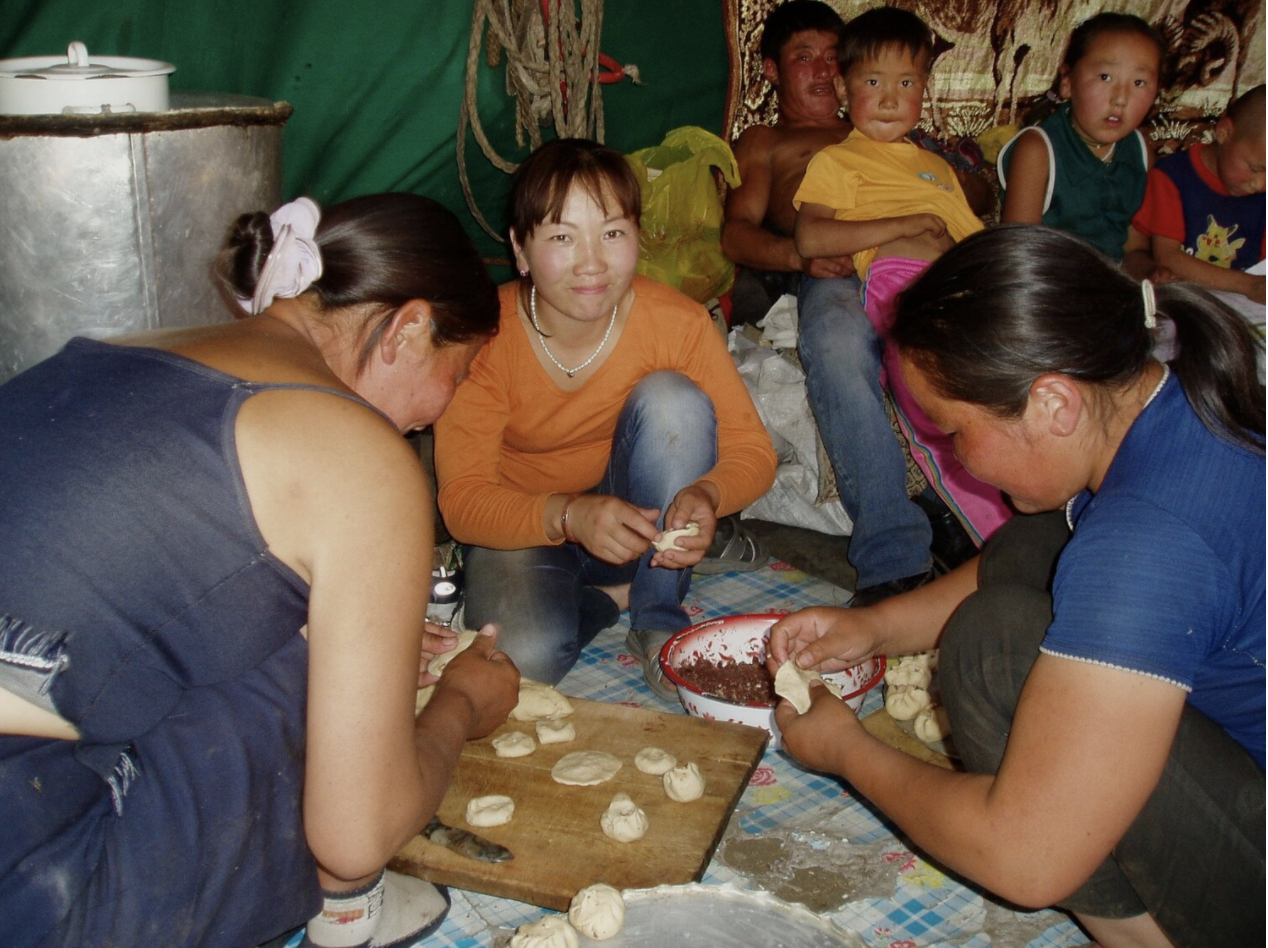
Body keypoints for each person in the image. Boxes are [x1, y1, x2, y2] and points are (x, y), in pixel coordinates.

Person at [0, 194, 522, 948]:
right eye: (460, 371)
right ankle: (349, 916)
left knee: (295, 635)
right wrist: (463, 706)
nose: (442, 411)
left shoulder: (120, 349)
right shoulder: (359, 454)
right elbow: (355, 829)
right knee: (319, 723)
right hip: (33, 881)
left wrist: (366, 653)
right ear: (408, 329)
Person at [770, 225, 1264, 948]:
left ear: (1053, 405)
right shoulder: (1167, 394)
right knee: (1040, 540)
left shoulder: (1146, 543)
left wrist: (846, 751)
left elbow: (1025, 860)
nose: (956, 462)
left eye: (953, 433)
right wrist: (874, 629)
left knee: (993, 647)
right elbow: (1038, 548)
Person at [434, 138, 777, 698]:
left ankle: (655, 611)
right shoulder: (486, 339)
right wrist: (569, 517)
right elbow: (464, 501)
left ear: (638, 238)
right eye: (562, 237)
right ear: (520, 249)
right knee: (523, 659)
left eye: (612, 233)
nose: (592, 262)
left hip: (634, 517)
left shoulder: (677, 322)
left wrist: (709, 495)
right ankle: (607, 597)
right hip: (524, 522)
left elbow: (752, 450)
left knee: (674, 400)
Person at [721, 0, 976, 606]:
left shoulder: (897, 134)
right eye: (801, 56)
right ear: (772, 71)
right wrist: (799, 259)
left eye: (832, 56)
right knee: (836, 344)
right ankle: (893, 555)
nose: (819, 69)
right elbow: (735, 233)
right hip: (828, 272)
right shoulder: (766, 141)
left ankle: (964, 511)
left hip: (919, 268)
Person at [793, 5, 1012, 551]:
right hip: (895, 287)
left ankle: (1014, 525)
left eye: (906, 82)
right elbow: (812, 239)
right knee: (928, 397)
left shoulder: (936, 169)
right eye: (873, 82)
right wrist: (908, 223)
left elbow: (970, 241)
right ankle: (924, 541)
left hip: (953, 287)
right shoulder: (837, 162)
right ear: (844, 89)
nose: (890, 98)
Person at [998, 13, 1164, 263]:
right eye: (1105, 77)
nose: (1121, 98)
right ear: (1067, 82)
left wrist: (1151, 278)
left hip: (1111, 283)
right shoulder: (1037, 150)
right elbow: (1018, 253)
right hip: (1046, 276)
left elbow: (1134, 248)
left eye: (1139, 82)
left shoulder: (1140, 151)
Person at [1127, 84, 1265, 301]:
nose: (1261, 184)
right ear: (1225, 132)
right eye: (1256, 169)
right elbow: (1168, 258)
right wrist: (1249, 286)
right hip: (1187, 301)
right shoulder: (1173, 176)